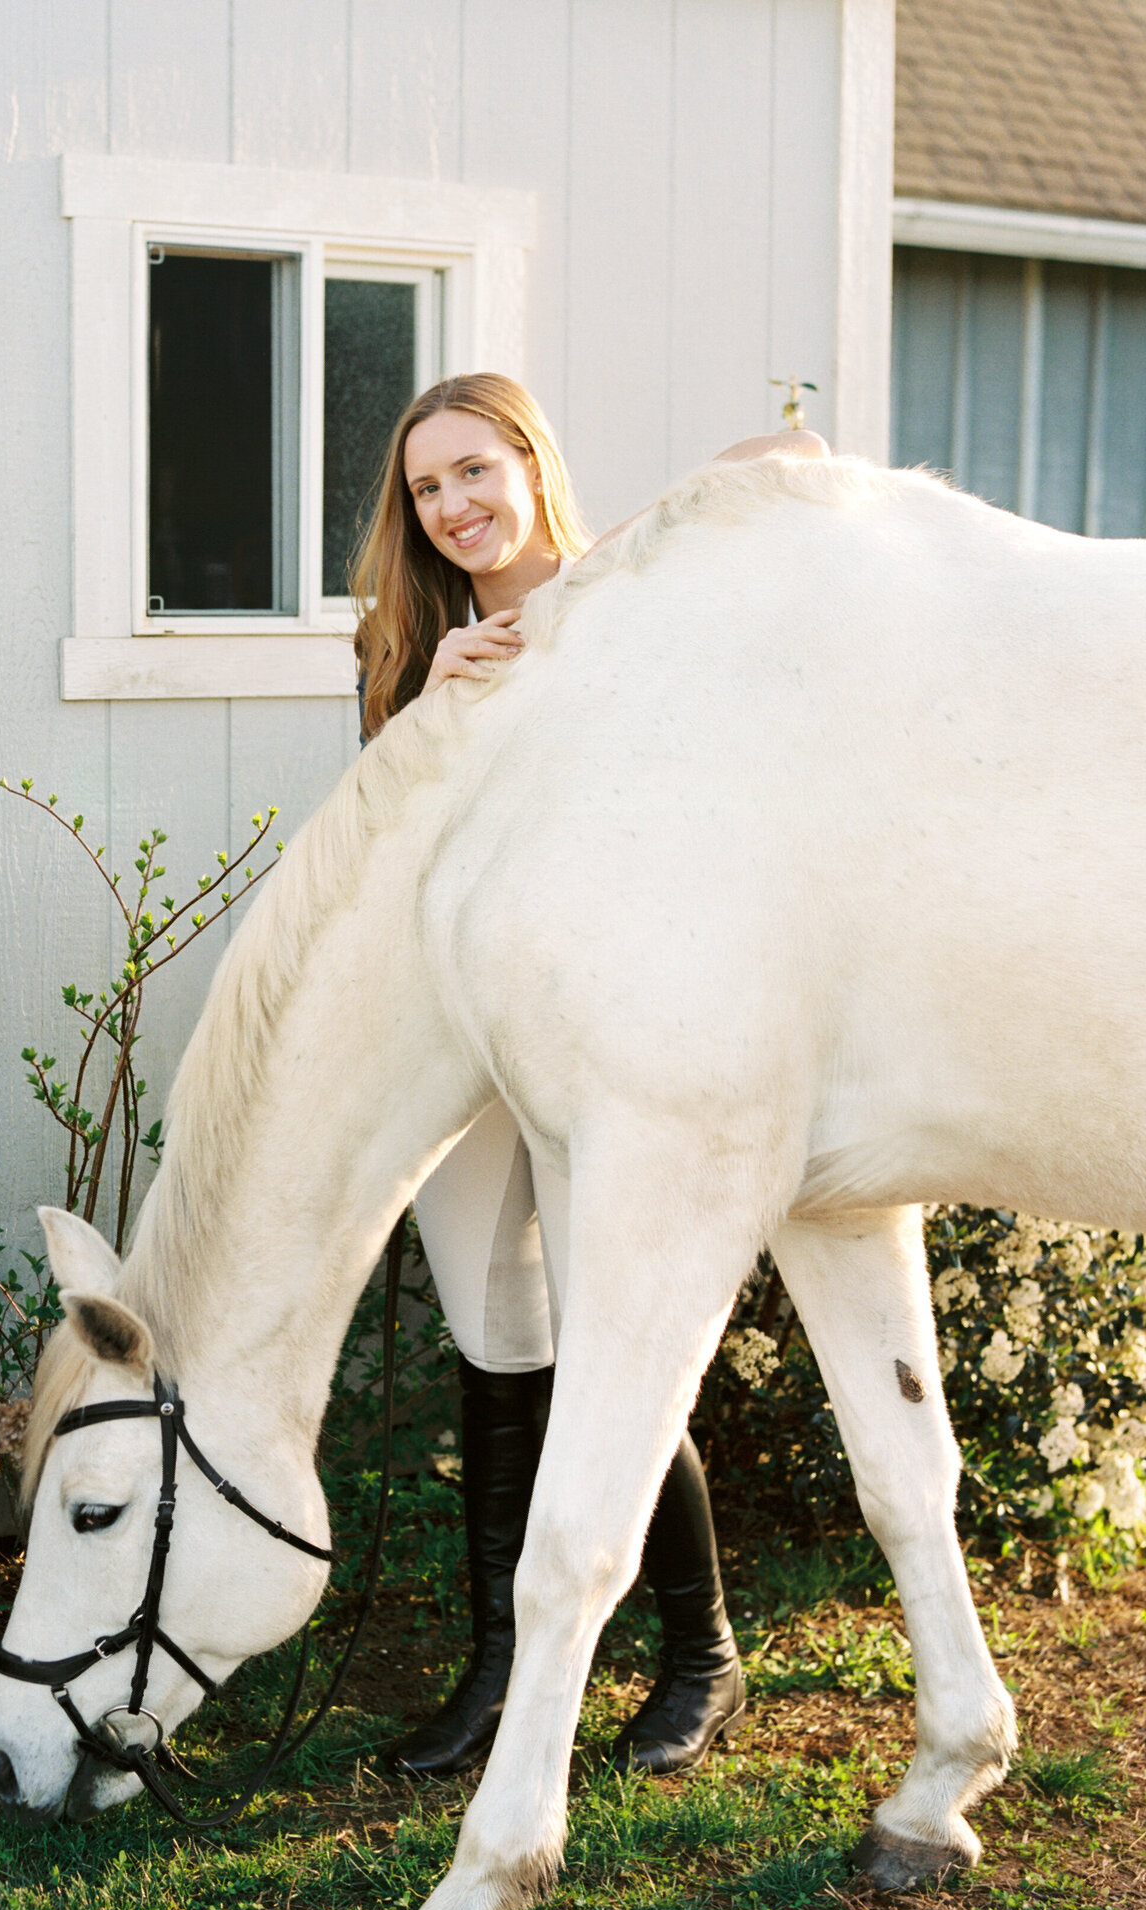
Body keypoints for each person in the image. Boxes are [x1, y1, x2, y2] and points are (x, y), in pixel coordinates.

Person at [350, 372, 829, 1780]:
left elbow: (793, 451)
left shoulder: (620, 594)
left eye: (476, 470)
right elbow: (382, 852)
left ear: (530, 459)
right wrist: (423, 712)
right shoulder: (410, 642)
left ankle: (701, 1651)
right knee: (502, 1349)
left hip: (604, 1039)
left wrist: (633, 531)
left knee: (621, 1336)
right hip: (460, 1038)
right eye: (428, 488)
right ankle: (501, 1669)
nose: (454, 508)